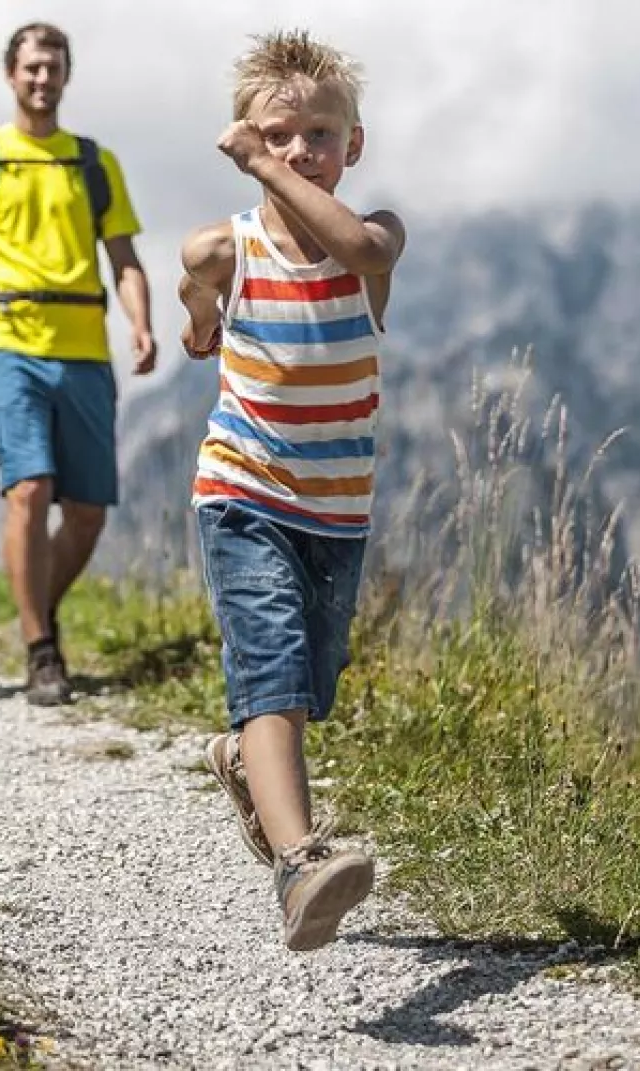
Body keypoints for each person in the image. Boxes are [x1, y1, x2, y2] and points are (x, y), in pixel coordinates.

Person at [180, 29, 407, 952]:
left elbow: (353, 242)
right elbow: (199, 285)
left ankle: (241, 760)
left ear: (354, 146)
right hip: (242, 489)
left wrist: (263, 167)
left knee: (312, 682)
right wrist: (201, 316)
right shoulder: (228, 248)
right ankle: (300, 863)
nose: (302, 149)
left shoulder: (376, 237)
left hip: (337, 511)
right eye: (280, 135)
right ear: (249, 139)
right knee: (270, 670)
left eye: (322, 133)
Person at [0, 22, 157, 706]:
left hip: (84, 346)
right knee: (27, 489)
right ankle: (39, 649)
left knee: (86, 513)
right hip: (7, 343)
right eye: (31, 68)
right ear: (10, 74)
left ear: (66, 74)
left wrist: (141, 322)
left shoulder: (94, 163)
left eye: (53, 67)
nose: (42, 79)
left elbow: (125, 258)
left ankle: (35, 605)